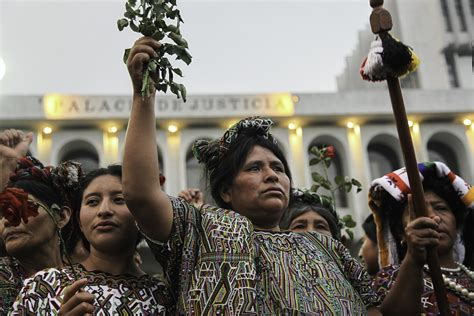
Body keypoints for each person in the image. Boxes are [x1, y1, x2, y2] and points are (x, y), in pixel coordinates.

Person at [121, 36, 440, 315]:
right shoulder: (199, 230)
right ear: (227, 191)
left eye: (279, 168)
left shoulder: (326, 247)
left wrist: (413, 258)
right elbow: (140, 194)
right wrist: (143, 97)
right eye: (255, 168)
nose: (272, 176)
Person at [11, 165, 171, 315]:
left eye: (119, 200)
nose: (104, 211)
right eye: (92, 202)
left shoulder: (164, 297)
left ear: (142, 215)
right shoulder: (44, 285)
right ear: (80, 222)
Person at [369, 162, 474, 314]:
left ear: (456, 223)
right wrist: (414, 257)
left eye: (441, 208)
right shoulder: (389, 277)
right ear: (401, 232)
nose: (433, 217)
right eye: (419, 211)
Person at [0, 154, 78, 314]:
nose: (7, 221)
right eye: (2, 214)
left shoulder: (88, 281)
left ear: (61, 216)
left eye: (22, 208)